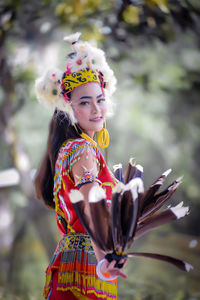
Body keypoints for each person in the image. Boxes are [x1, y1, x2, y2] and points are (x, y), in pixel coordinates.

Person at [34, 32, 128, 300]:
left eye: (100, 99)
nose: (97, 109)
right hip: (87, 267)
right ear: (70, 109)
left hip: (70, 260)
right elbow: (91, 205)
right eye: (85, 102)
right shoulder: (84, 149)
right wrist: (104, 258)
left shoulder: (67, 149)